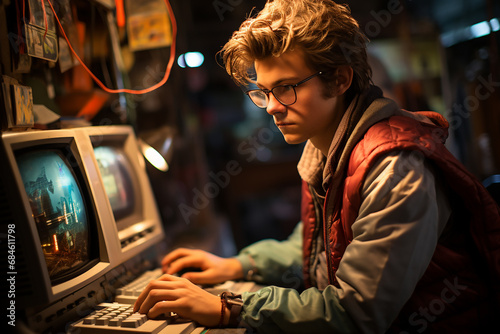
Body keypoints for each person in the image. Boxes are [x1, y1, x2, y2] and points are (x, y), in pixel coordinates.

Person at [134, 0, 500, 332]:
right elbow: (317, 246)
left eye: (287, 87)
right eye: (264, 91)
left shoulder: (394, 168)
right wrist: (239, 265)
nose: (273, 107)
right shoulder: (330, 145)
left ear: (340, 79)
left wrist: (228, 306)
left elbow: (357, 313)